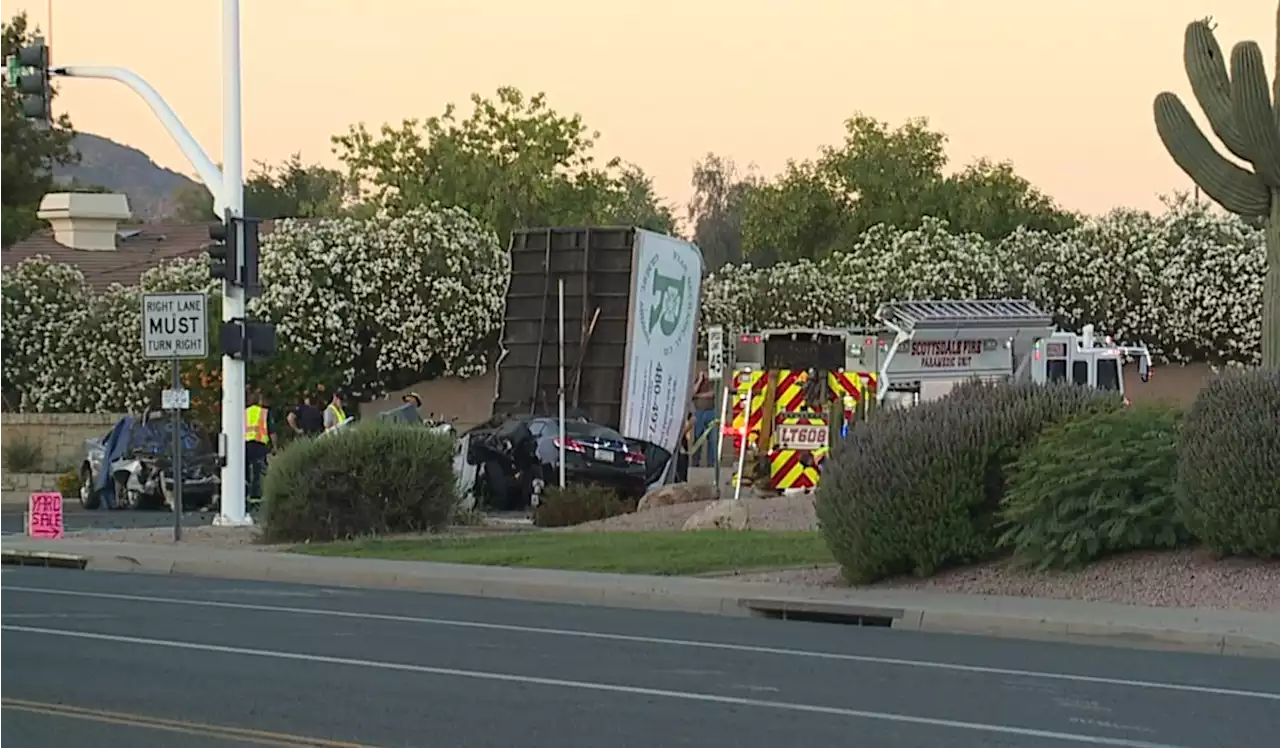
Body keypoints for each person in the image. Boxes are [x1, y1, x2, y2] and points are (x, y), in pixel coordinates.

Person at [244, 392, 273, 506]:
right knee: (259, 471)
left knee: (245, 471)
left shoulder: (244, 413)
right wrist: (274, 447)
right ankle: (256, 497)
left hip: (245, 445)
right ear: (259, 401)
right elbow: (272, 431)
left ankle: (245, 495)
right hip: (259, 445)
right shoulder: (264, 413)